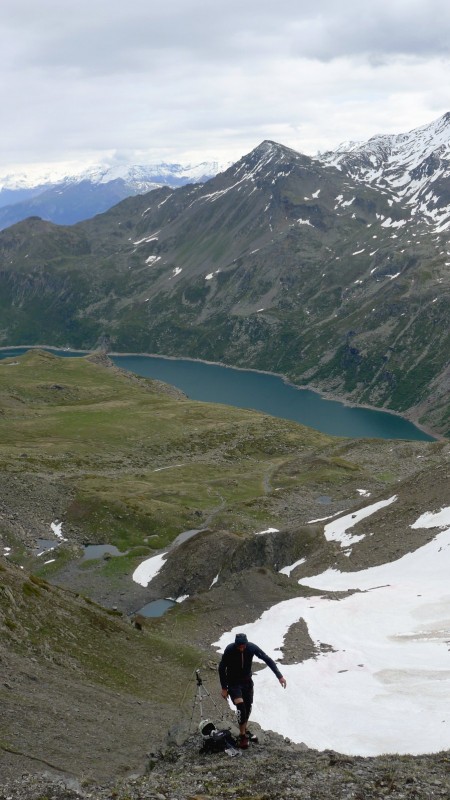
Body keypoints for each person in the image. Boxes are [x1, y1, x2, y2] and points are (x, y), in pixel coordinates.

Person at [218, 632, 287, 749]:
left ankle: (244, 729)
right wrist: (224, 688)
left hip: (247, 682)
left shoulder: (251, 647)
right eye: (239, 646)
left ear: (246, 643)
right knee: (240, 706)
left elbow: (267, 659)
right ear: (235, 644)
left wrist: (279, 676)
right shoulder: (230, 649)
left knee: (248, 707)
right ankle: (242, 735)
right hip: (234, 683)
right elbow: (221, 667)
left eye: (243, 645)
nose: (241, 648)